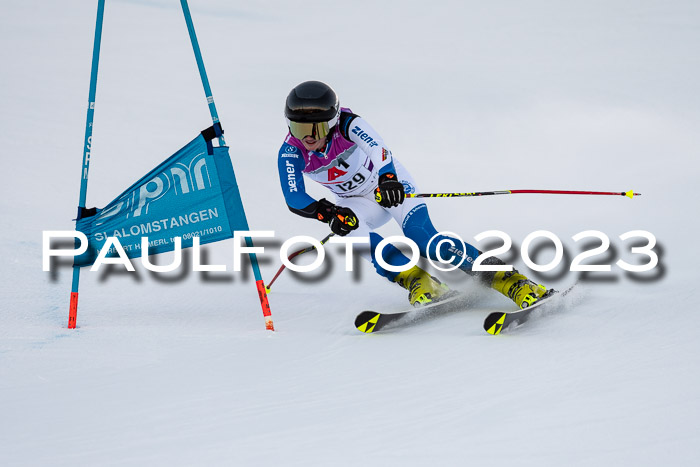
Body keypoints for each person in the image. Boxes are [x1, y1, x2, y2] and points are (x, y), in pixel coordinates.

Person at [277, 80, 552, 308]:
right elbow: (295, 198)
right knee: (356, 240)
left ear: (333, 121)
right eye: (298, 128)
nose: (307, 138)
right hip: (354, 202)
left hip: (391, 188)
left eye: (317, 128)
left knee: (424, 240)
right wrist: (330, 213)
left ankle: (511, 281)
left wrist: (387, 179)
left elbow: (379, 150)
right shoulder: (290, 152)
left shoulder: (349, 123)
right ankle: (421, 281)